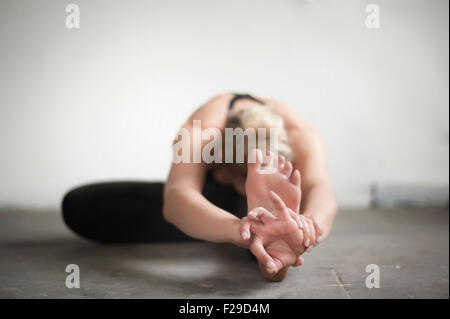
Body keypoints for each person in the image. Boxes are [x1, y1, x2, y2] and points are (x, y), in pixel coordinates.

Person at [62, 93, 338, 281]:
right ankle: (254, 235)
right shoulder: (202, 128)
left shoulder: (302, 136)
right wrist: (240, 231)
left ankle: (274, 244)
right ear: (218, 156)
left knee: (270, 227)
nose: (243, 188)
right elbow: (178, 195)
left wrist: (308, 226)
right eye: (240, 178)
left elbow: (321, 190)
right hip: (208, 199)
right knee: (80, 205)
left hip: (270, 206)